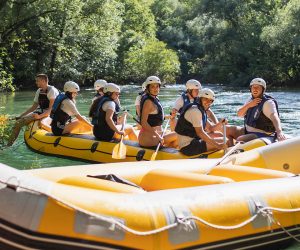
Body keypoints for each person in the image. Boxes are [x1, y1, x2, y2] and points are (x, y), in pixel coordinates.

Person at [7, 74, 59, 146]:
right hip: (41, 111)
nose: (36, 82)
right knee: (18, 122)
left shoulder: (51, 90)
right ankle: (9, 144)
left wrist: (39, 117)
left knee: (18, 123)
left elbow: (50, 110)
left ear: (43, 81)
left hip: (51, 114)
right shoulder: (39, 91)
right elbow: (33, 107)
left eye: (37, 81)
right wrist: (21, 116)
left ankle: (8, 145)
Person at [175, 88, 227, 156]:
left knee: (220, 135)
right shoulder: (195, 111)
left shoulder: (201, 110)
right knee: (224, 141)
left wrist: (221, 123)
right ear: (200, 99)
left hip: (193, 141)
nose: (208, 102)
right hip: (188, 147)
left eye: (210, 100)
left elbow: (211, 128)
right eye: (205, 99)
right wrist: (218, 145)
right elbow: (200, 133)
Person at [236, 77, 286, 142]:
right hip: (248, 131)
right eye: (253, 87)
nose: (255, 89)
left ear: (263, 90)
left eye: (258, 87)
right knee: (228, 129)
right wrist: (248, 105)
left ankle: (236, 151)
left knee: (240, 139)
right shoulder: (250, 100)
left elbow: (275, 117)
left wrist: (279, 132)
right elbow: (239, 114)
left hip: (262, 134)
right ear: (250, 89)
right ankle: (226, 149)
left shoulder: (268, 102)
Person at [138, 76, 177, 148]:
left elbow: (154, 118)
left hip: (154, 135)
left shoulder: (155, 99)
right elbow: (143, 122)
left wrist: (169, 117)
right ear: (148, 88)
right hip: (148, 139)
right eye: (152, 87)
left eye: (157, 86)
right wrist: (158, 136)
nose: (155, 89)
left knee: (175, 140)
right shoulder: (148, 102)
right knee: (178, 134)